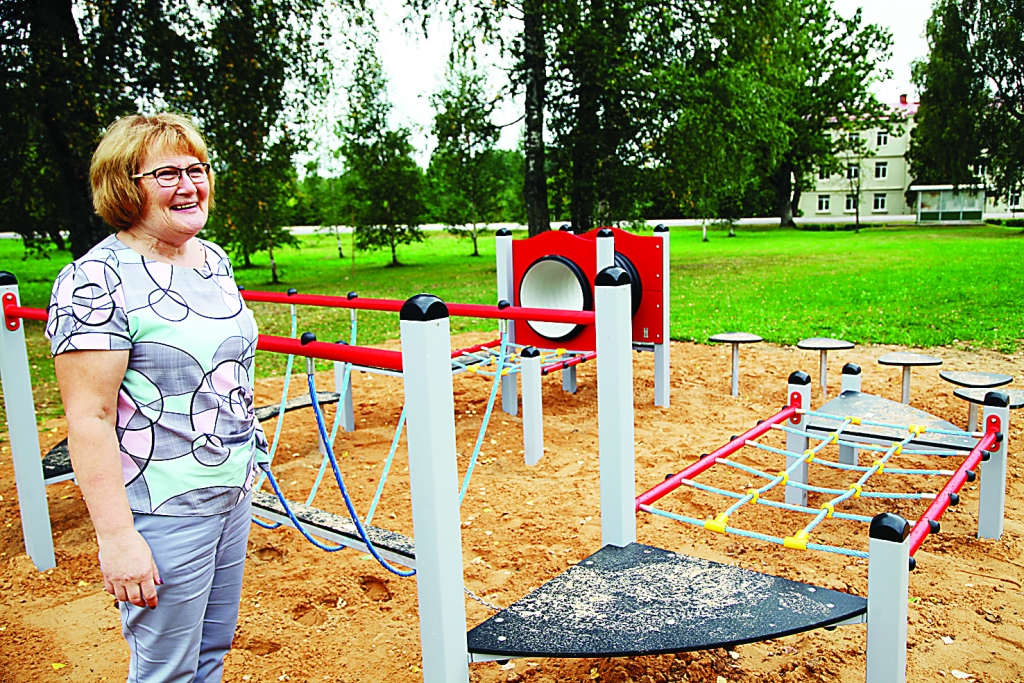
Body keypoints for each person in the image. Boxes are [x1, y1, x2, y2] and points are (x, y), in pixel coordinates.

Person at [47, 113, 268, 682]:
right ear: (126, 185)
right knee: (166, 670)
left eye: (197, 169)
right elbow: (89, 418)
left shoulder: (211, 259)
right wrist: (118, 539)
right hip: (161, 508)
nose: (189, 185)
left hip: (230, 491)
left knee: (212, 650)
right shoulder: (96, 279)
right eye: (167, 173)